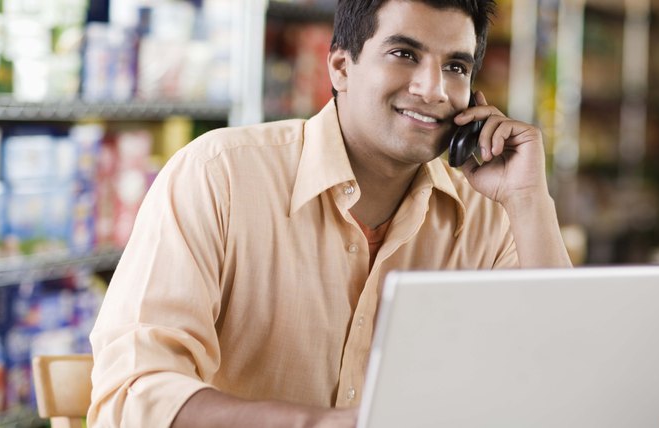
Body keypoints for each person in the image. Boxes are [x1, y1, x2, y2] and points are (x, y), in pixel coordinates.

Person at [87, 0, 572, 426]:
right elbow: (132, 395)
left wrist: (529, 200)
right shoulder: (220, 175)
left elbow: (565, 392)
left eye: (456, 68)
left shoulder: (489, 211)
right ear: (340, 66)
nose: (433, 89)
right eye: (404, 54)